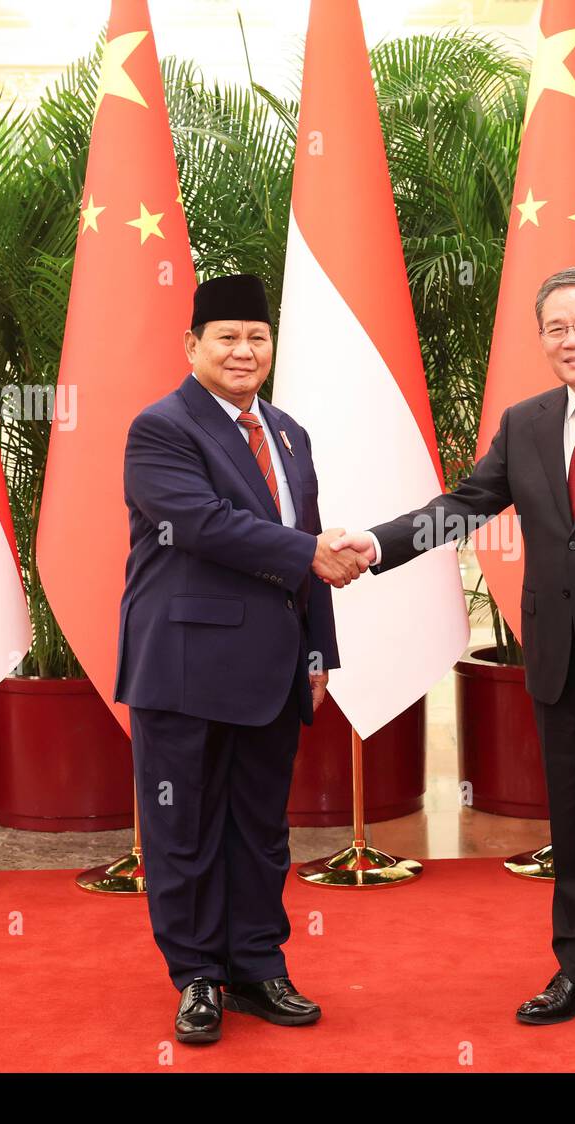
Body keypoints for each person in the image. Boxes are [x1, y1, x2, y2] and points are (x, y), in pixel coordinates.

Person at [333, 266, 575, 1046]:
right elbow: (464, 508)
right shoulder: (525, 423)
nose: (572, 340)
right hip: (556, 660)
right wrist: (376, 544)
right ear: (542, 340)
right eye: (556, 327)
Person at [114, 273, 368, 1044]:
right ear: (192, 346)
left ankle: (258, 966)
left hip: (274, 669)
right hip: (185, 667)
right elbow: (204, 524)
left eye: (256, 336)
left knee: (260, 829)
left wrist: (319, 649)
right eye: (225, 336)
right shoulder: (160, 429)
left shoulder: (289, 432)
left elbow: (309, 551)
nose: (243, 349)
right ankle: (196, 977)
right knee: (182, 830)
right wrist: (311, 552)